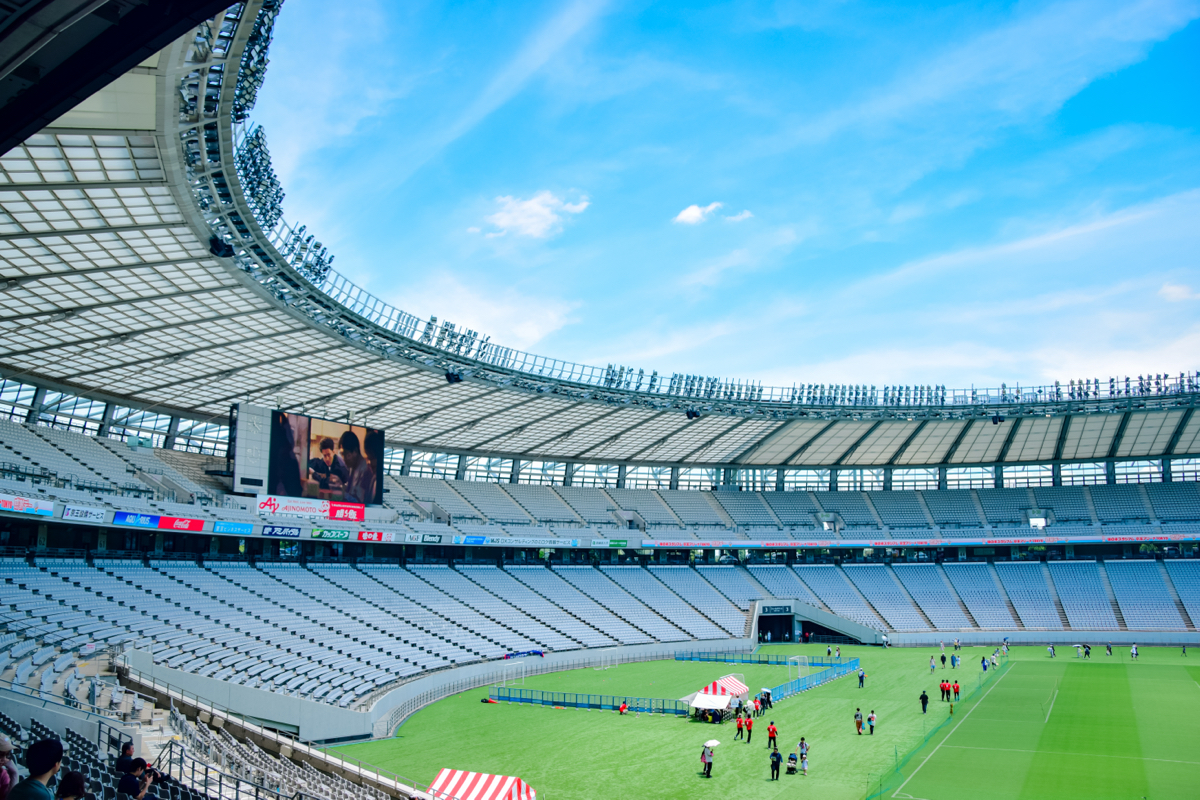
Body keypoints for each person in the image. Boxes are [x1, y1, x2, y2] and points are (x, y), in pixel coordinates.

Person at [0, 736, 16, 800]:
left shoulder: (2, 774)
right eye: (1, 754)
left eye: (7, 755)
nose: (4, 759)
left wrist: (15, 773)